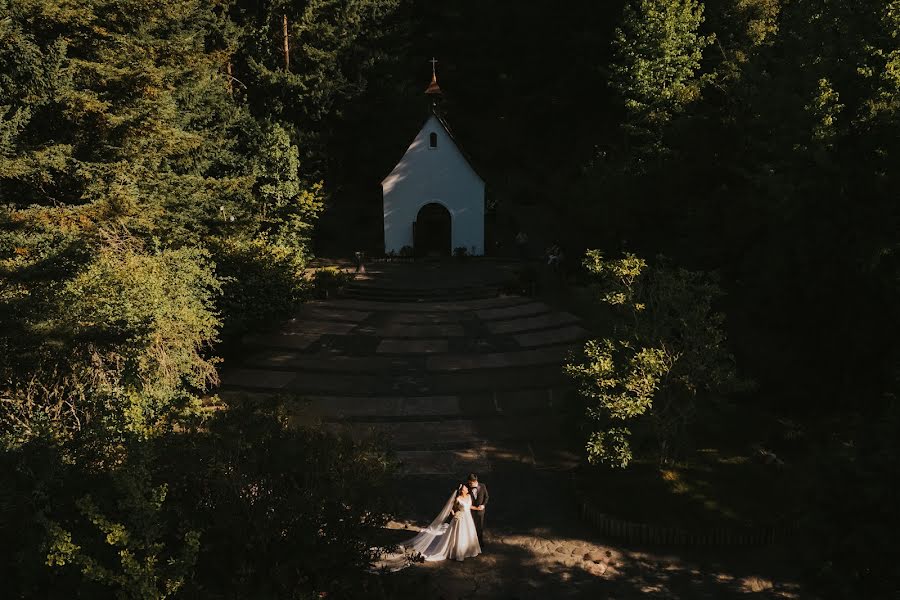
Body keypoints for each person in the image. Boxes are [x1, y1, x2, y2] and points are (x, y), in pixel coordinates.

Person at [400, 483, 481, 562]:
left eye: (466, 488)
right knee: (460, 534)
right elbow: (452, 508)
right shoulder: (458, 499)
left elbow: (469, 506)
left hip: (468, 518)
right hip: (460, 518)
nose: (467, 489)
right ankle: (458, 553)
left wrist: (477, 508)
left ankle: (469, 550)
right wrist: (454, 514)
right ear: (462, 490)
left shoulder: (469, 496)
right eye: (465, 488)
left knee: (468, 533)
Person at [466, 473, 489, 547]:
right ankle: (471, 543)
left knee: (479, 527)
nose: (470, 484)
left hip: (480, 511)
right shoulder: (466, 487)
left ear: (475, 481)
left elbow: (486, 497)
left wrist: (483, 505)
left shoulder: (482, 486)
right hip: (470, 511)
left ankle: (480, 543)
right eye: (469, 482)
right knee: (470, 527)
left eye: (471, 483)